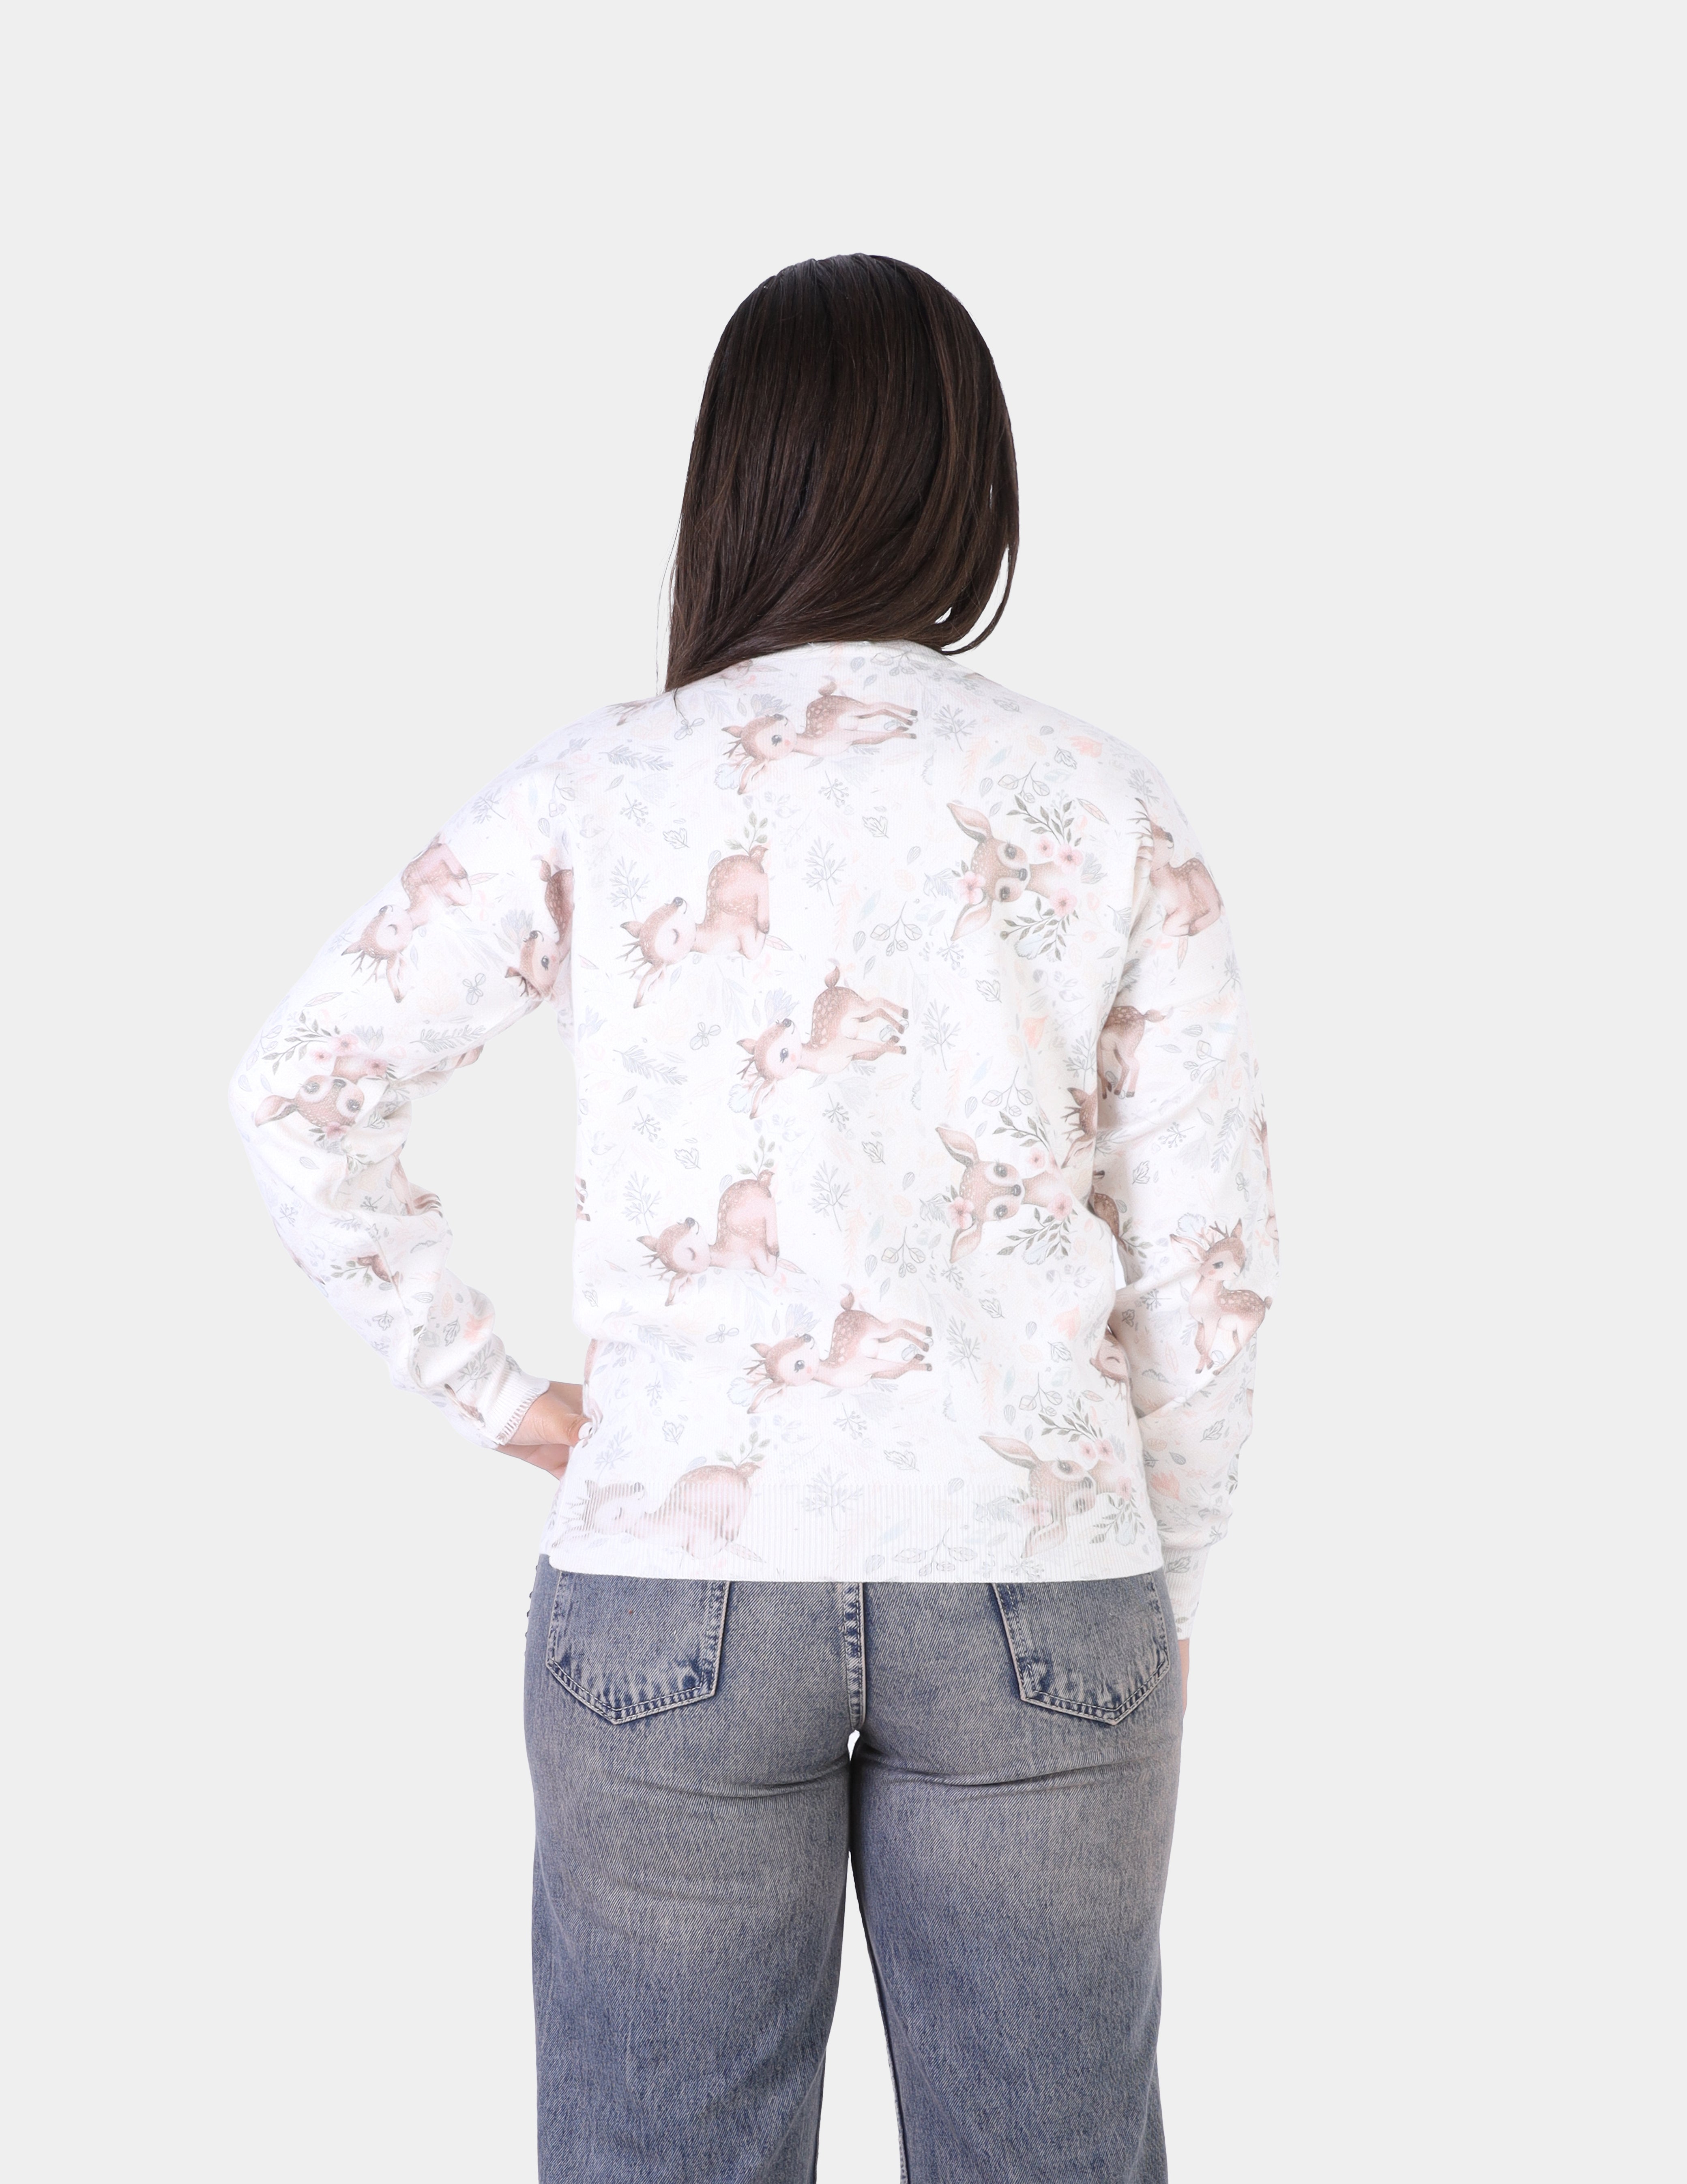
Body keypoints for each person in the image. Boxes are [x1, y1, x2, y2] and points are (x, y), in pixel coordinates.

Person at [231, 253, 1277, 2184]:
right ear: (973, 485)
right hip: (1038, 1582)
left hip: (670, 1586)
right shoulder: (1100, 799)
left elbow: (300, 1083)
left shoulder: (597, 785)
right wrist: (1169, 1578)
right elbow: (1206, 1261)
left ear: (732, 483)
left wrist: (498, 1397)